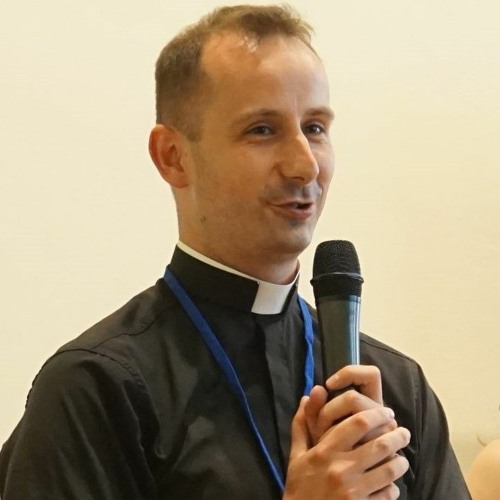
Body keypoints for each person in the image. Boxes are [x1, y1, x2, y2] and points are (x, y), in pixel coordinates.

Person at [0, 4, 470, 499]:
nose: (305, 166)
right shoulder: (96, 388)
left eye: (315, 127)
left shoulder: (397, 388)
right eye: (262, 130)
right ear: (173, 157)